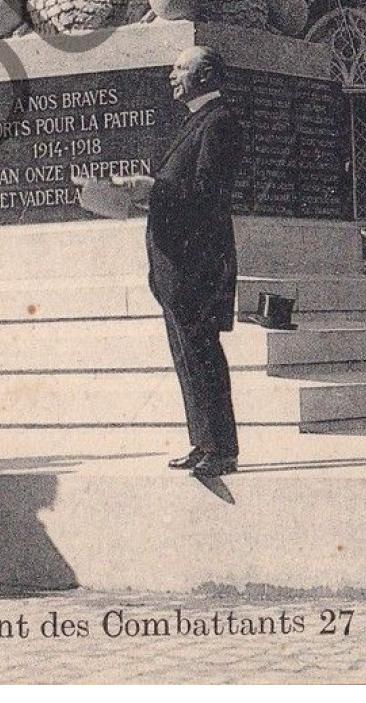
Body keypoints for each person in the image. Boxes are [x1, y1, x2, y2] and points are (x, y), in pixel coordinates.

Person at [105, 45, 243, 479]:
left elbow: (209, 195)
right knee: (187, 355)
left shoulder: (219, 123)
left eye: (180, 68)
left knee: (201, 354)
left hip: (196, 262)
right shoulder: (197, 121)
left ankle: (221, 448)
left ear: (205, 76)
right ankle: (203, 441)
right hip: (176, 261)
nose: (171, 75)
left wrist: (153, 188)